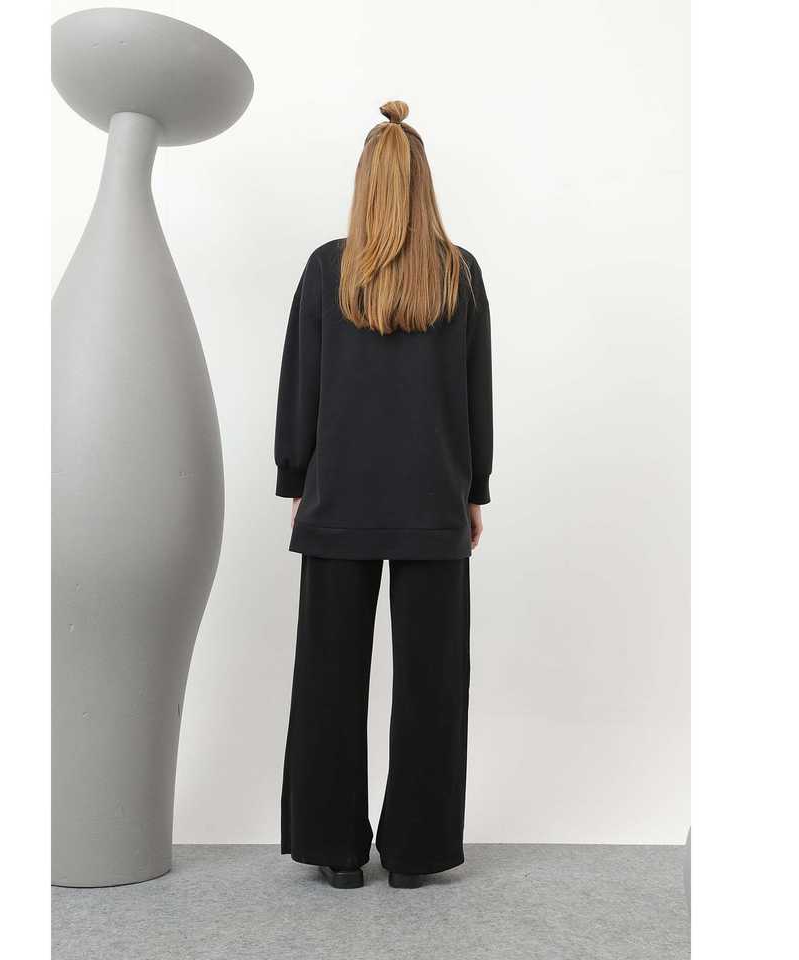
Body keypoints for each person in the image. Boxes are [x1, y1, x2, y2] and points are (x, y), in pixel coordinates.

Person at [274, 100, 492, 890]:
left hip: (339, 499)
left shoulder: (326, 269)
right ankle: (416, 852)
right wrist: (474, 491)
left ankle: (334, 849)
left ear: (366, 181)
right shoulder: (459, 271)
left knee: (327, 681)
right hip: (434, 499)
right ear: (422, 181)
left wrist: (296, 479)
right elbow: (475, 396)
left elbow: (302, 382)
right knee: (434, 685)